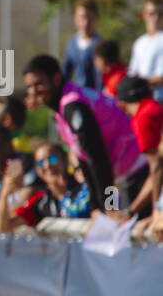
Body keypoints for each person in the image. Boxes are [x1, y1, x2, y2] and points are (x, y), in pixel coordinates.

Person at [24, 53, 150, 216]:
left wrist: (109, 206)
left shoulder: (74, 105)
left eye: (38, 84)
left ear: (55, 79)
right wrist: (97, 208)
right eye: (29, 86)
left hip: (138, 170)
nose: (33, 91)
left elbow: (99, 159)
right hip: (124, 174)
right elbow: (85, 159)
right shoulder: (63, 108)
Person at [116, 75, 162, 215]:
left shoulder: (142, 117)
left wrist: (157, 213)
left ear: (122, 105)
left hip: (127, 181)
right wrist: (131, 211)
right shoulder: (156, 108)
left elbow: (157, 168)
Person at [128, 0, 163, 102]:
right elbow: (133, 73)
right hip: (142, 102)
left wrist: (141, 83)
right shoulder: (139, 43)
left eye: (161, 14)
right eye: (152, 14)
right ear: (144, 15)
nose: (156, 18)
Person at [63, 0, 101, 92]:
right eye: (82, 17)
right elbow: (66, 71)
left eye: (90, 18)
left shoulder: (99, 44)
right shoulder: (72, 43)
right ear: (75, 18)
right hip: (78, 94)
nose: (86, 22)